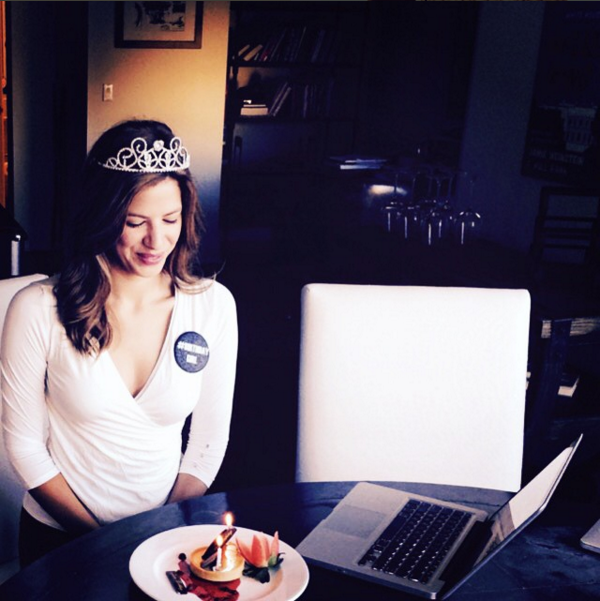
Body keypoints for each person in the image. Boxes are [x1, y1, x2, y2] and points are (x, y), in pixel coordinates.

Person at [1, 119, 238, 566]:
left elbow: (207, 442)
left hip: (163, 540)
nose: (156, 241)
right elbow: (25, 449)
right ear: (103, 216)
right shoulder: (36, 308)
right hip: (59, 540)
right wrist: (106, 544)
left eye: (170, 220)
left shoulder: (213, 306)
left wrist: (157, 536)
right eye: (134, 222)